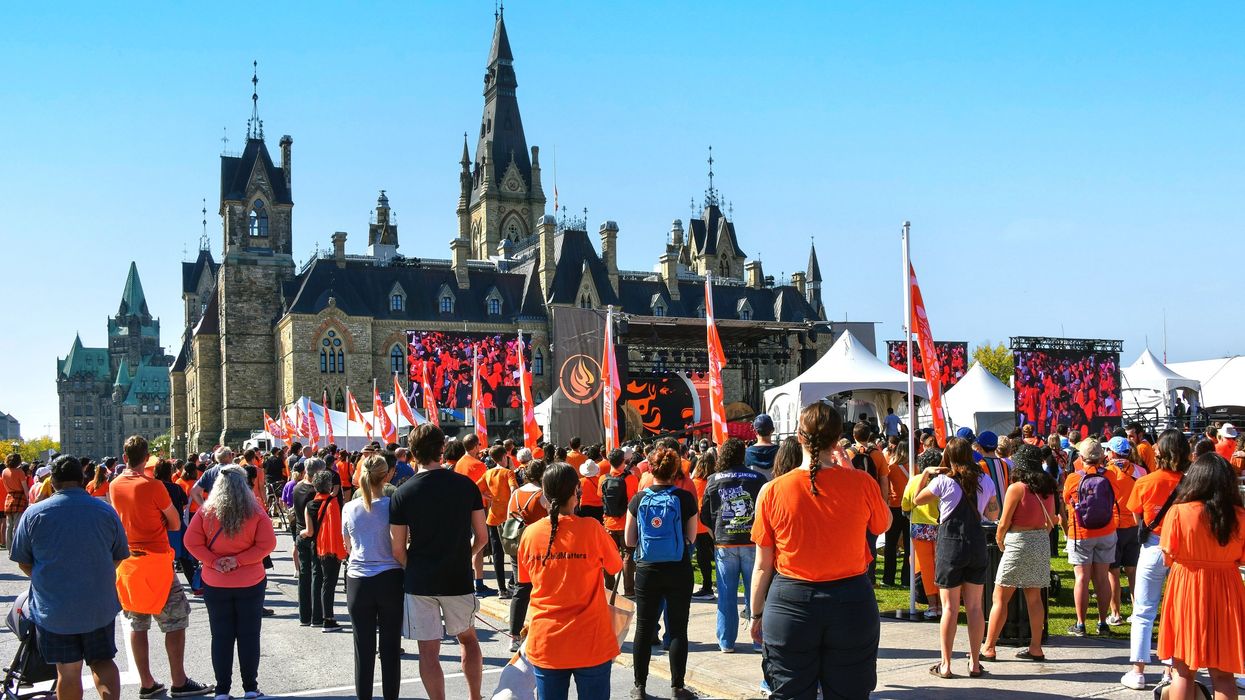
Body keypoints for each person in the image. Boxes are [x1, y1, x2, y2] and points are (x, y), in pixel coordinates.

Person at [749, 403, 891, 699]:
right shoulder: (861, 483)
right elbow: (883, 524)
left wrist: (756, 613)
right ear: (838, 438)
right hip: (851, 602)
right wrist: (851, 471)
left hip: (790, 603)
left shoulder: (773, 490)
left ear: (799, 437)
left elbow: (762, 565)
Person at [10, 455, 128, 700]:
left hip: (55, 608)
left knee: (68, 671)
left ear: (52, 481)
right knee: (103, 661)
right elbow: (118, 556)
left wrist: (49, 579)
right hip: (98, 604)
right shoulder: (106, 511)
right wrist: (97, 573)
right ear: (83, 479)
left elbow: (23, 561)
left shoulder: (34, 514)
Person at [390, 424, 487, 700]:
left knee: (428, 650)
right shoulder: (465, 485)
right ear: (441, 449)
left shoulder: (402, 493)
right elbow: (481, 536)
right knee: (468, 638)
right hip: (457, 575)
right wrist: (464, 556)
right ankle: (475, 697)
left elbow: (398, 549)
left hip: (420, 578)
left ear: (412, 453)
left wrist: (415, 566)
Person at [110, 437, 212, 698]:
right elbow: (175, 523)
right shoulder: (153, 485)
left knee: (138, 623)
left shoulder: (114, 484)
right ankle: (179, 681)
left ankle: (147, 682)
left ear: (124, 458)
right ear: (147, 459)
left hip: (128, 561)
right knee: (176, 620)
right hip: (155, 559)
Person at [516, 463, 623, 700]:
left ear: (544, 494)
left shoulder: (530, 533)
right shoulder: (592, 529)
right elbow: (615, 567)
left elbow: (526, 580)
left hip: (547, 641)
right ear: (576, 492)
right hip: (591, 641)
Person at [1155, 453, 1245, 700]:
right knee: (1224, 675)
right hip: (1227, 588)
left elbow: (1167, 557)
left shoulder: (1178, 512)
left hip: (1187, 587)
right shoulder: (1239, 516)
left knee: (1183, 671)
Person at [184, 465, 277, 700]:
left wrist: (215, 562)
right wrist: (239, 560)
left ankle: (222, 689)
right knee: (249, 634)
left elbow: (191, 542)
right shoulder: (255, 510)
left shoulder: (207, 511)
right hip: (250, 580)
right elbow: (267, 544)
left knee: (221, 635)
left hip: (216, 582)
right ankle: (250, 687)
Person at [914, 437, 1000, 679]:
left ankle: (946, 664)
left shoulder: (943, 481)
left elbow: (917, 499)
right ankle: (974, 662)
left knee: (950, 607)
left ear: (948, 457)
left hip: (950, 544)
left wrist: (926, 474)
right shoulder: (985, 480)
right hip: (976, 543)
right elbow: (993, 512)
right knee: (974, 607)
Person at [625, 447, 700, 700]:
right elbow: (691, 537)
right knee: (678, 628)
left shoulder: (638, 499)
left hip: (647, 569)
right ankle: (677, 687)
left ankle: (639, 686)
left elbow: (630, 539)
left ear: (650, 468)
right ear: (674, 470)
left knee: (644, 628)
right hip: (678, 568)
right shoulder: (685, 498)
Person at [1120, 428, 1189, 690]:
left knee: (1144, 610)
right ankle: (1170, 670)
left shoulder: (1145, 482)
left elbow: (1138, 518)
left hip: (1152, 547)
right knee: (1175, 612)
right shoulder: (1191, 482)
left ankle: (1137, 670)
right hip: (1181, 552)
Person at [981, 444, 1056, 662]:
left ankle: (989, 646)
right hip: (1040, 541)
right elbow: (1051, 521)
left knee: (1000, 597)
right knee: (1034, 597)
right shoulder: (1048, 487)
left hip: (1018, 541)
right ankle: (1035, 646)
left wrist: (1000, 539)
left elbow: (1004, 522)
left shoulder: (1017, 488)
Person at [342, 455, 404, 700]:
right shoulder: (393, 506)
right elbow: (400, 544)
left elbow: (348, 546)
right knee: (390, 648)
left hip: (358, 580)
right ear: (387, 475)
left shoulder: (349, 507)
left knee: (363, 649)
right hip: (389, 577)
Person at [700, 437, 766, 653]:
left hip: (724, 543)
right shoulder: (758, 478)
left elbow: (705, 516)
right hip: (751, 541)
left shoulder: (713, 479)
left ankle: (726, 641)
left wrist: (716, 535)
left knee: (726, 595)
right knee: (755, 593)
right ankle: (759, 640)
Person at [1062, 438, 1122, 637]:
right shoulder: (1111, 475)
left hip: (1081, 533)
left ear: (1081, 457)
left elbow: (1066, 500)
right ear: (1102, 457)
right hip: (1106, 530)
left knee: (1081, 578)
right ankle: (1103, 622)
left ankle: (1080, 624)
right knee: (1102, 578)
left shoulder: (1073, 479)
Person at [508, 458, 549, 651]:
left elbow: (509, 518)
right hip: (537, 546)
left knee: (521, 589)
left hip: (516, 545)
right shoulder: (542, 495)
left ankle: (514, 635)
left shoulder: (516, 493)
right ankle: (539, 630)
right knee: (541, 589)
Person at [1102, 436, 1144, 626]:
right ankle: (1137, 612)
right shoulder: (1140, 471)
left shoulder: (1106, 472)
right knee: (1133, 572)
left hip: (1113, 527)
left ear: (1112, 452)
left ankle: (1115, 613)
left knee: (1113, 572)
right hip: (1135, 526)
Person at [301, 470, 346, 631]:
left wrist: (301, 534)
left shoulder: (310, 504)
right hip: (331, 548)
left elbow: (310, 531)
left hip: (316, 547)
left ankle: (319, 617)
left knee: (320, 582)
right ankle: (328, 619)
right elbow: (338, 528)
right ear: (329, 486)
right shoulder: (334, 503)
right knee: (329, 584)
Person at [901, 449, 943, 619]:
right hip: (941, 527)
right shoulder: (944, 481)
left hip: (920, 528)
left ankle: (933, 606)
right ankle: (943, 604)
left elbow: (905, 505)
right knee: (941, 567)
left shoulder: (914, 481)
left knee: (926, 568)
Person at [454, 433, 494, 597]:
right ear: (476, 445)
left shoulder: (459, 463)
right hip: (477, 509)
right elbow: (483, 489)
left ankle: (472, 581)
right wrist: (485, 497)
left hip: (461, 508)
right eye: (479, 445)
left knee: (468, 542)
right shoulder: (478, 465)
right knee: (479, 543)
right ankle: (479, 583)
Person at [480, 444, 519, 598]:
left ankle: (501, 589)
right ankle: (512, 583)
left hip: (493, 516)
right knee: (513, 551)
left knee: (497, 553)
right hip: (507, 518)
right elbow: (513, 489)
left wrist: (486, 496)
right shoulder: (508, 473)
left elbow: (475, 487)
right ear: (504, 457)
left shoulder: (488, 473)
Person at [292, 457, 325, 626]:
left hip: (300, 533)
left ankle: (304, 616)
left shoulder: (296, 487)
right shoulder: (315, 493)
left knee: (304, 575)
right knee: (316, 575)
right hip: (313, 535)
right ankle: (316, 616)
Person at [882, 438, 911, 588]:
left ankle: (888, 578)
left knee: (891, 545)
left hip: (894, 506)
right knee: (908, 546)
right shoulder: (915, 467)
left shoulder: (891, 467)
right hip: (910, 508)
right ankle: (906, 579)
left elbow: (885, 486)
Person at [689, 451, 716, 600]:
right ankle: (712, 585)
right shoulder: (715, 481)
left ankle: (707, 587)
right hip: (714, 524)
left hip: (699, 525)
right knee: (715, 556)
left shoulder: (694, 483)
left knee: (703, 558)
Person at [2, 453, 27, 549]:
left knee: (9, 525)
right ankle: (16, 547)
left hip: (9, 497)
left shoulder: (4, 471)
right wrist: (28, 499)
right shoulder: (19, 472)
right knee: (17, 525)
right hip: (19, 497)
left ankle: (9, 547)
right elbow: (25, 488)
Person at [745, 414, 779, 479]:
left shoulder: (747, 453)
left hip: (755, 488)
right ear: (773, 430)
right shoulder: (781, 452)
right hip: (775, 488)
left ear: (755, 431)